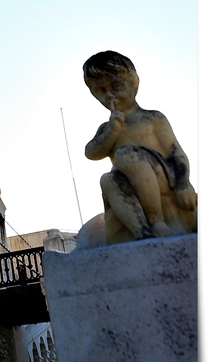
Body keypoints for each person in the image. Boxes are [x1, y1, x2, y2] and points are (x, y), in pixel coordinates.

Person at [83, 50, 197, 244]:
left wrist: (183, 182)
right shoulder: (108, 128)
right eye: (100, 91)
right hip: (129, 185)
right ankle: (141, 232)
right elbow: (91, 152)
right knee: (107, 180)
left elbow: (175, 152)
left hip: (163, 176)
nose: (109, 95)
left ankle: (157, 222)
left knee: (126, 155)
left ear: (134, 83)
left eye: (116, 86)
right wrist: (112, 131)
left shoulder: (152, 118)